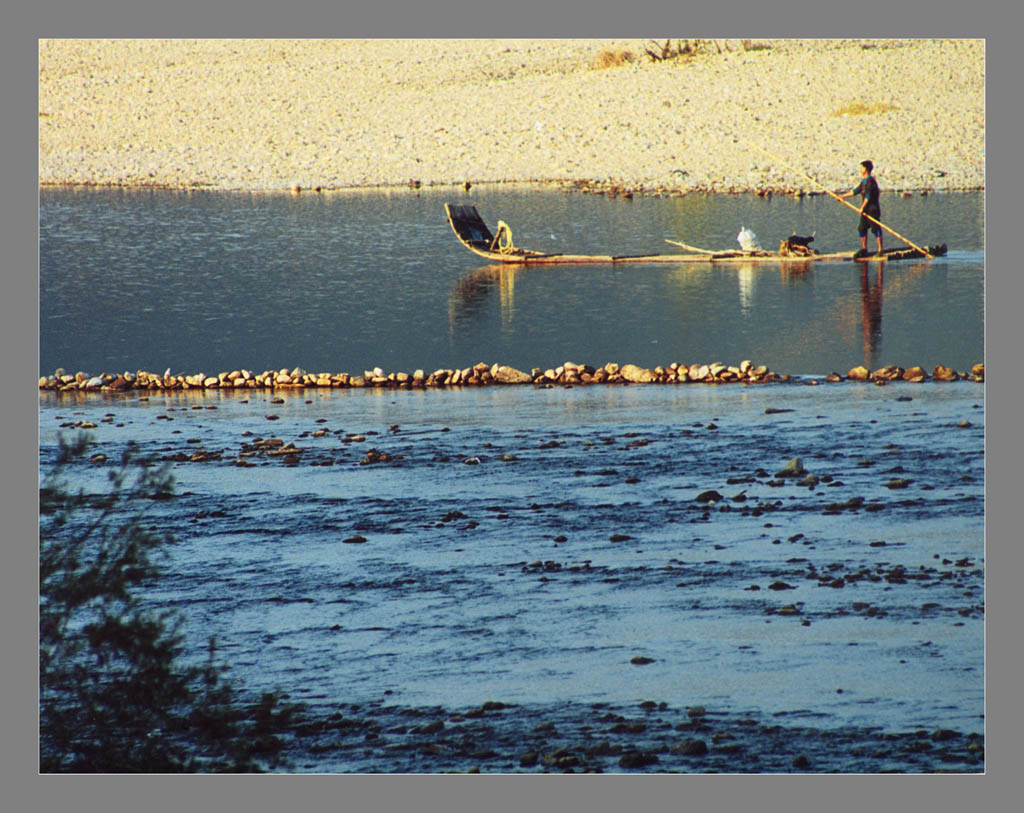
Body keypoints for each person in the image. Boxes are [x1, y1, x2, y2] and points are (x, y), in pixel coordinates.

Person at [841, 160, 882, 256]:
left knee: (875, 229)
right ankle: (864, 249)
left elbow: (868, 196)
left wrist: (862, 207)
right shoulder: (863, 182)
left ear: (866, 169)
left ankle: (880, 250)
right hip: (865, 210)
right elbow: (855, 191)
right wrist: (842, 197)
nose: (860, 169)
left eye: (861, 168)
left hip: (872, 209)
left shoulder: (870, 181)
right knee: (862, 229)